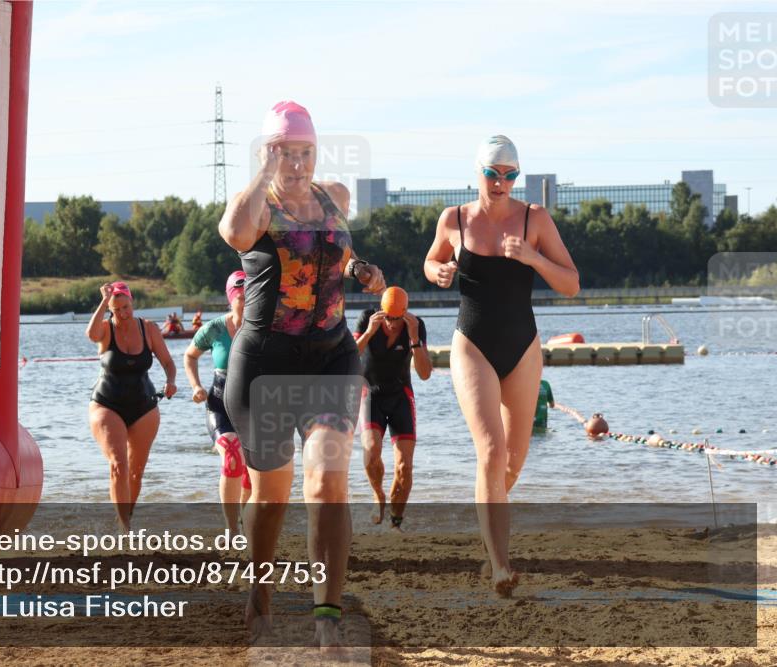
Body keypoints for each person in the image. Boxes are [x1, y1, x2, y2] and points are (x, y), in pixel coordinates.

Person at [218, 100, 385, 648]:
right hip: (266, 362)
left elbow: (338, 246)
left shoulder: (333, 196)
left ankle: (327, 617)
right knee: (271, 498)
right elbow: (233, 233)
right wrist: (264, 173)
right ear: (269, 153)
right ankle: (260, 591)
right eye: (285, 153)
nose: (296, 164)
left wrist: (358, 269)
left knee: (327, 481)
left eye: (305, 152)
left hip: (332, 357)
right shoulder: (257, 205)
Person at [422, 135, 579, 597]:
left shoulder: (536, 219)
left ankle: (488, 528)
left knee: (512, 462)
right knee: (490, 452)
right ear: (478, 173)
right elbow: (432, 260)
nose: (502, 183)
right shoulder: (455, 220)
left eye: (511, 175)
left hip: (523, 347)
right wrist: (439, 272)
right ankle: (499, 566)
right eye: (494, 174)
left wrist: (532, 256)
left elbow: (571, 284)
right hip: (471, 344)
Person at [86, 281, 178, 530]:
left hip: (144, 406)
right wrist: (104, 302)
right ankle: (124, 527)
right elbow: (91, 335)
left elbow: (168, 363)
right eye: (117, 310)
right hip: (107, 404)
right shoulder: (105, 329)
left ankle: (125, 518)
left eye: (126, 307)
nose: (123, 314)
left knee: (136, 471)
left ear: (132, 302)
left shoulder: (148, 329)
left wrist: (170, 382)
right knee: (118, 464)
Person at [354, 286, 432, 530]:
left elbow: (425, 373)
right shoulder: (368, 319)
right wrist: (369, 332)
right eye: (387, 317)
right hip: (370, 395)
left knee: (404, 465)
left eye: (397, 319)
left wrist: (414, 339)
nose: (391, 324)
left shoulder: (415, 326)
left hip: (400, 396)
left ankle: (396, 522)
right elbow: (348, 357)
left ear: (405, 314)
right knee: (371, 452)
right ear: (381, 312)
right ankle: (379, 495)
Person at [184, 271, 251, 534]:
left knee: (250, 472)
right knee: (232, 457)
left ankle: (246, 522)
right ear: (231, 298)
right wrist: (196, 386)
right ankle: (230, 529)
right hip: (219, 404)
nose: (247, 302)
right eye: (242, 298)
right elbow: (190, 356)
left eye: (252, 297)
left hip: (253, 407)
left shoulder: (265, 327)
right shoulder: (214, 329)